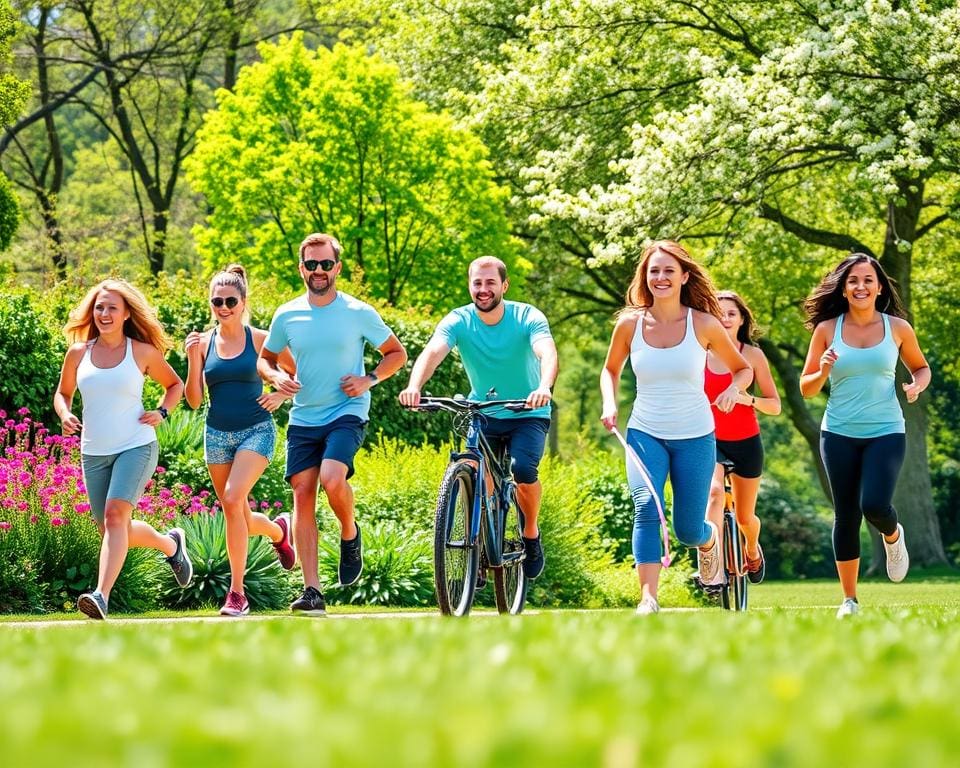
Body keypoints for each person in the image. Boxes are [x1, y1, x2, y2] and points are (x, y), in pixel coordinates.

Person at [258, 233, 407, 616]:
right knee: (302, 494)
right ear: (301, 268)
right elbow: (266, 358)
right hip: (303, 416)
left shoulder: (359, 312)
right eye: (312, 264)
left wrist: (369, 379)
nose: (319, 270)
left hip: (347, 410)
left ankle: (349, 532)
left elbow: (397, 354)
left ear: (337, 268)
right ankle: (312, 592)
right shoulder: (287, 314)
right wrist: (275, 378)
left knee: (332, 478)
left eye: (326, 264)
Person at [600, 240, 752, 615]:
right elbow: (610, 370)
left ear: (685, 276)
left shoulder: (703, 323)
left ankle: (709, 538)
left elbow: (742, 369)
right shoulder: (629, 324)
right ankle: (648, 598)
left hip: (696, 436)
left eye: (669, 270)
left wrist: (735, 390)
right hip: (644, 432)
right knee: (645, 507)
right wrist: (609, 402)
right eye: (654, 270)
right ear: (645, 277)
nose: (661, 277)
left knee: (687, 530)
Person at [399, 255, 559, 580]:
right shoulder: (458, 320)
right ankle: (480, 548)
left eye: (490, 283)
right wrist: (414, 386)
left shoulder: (527, 315)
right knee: (473, 466)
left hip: (526, 411)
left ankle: (530, 532)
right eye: (477, 283)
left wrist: (543, 386)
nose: (483, 289)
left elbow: (547, 351)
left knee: (522, 469)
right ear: (470, 286)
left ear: (504, 285)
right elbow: (432, 352)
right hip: (483, 411)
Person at [800, 253, 930, 618]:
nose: (860, 286)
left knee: (873, 504)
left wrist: (916, 385)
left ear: (879, 287)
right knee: (846, 514)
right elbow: (807, 389)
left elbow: (921, 367)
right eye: (853, 280)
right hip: (838, 432)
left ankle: (892, 535)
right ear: (843, 288)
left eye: (868, 280)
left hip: (886, 430)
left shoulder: (898, 328)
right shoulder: (827, 329)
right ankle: (849, 600)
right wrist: (822, 369)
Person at [53, 279, 191, 620]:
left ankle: (101, 596)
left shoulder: (141, 351)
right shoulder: (78, 353)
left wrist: (162, 412)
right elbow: (63, 393)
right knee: (113, 530)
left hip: (136, 445)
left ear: (127, 313)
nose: (104, 313)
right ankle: (170, 544)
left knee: (116, 516)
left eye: (112, 307)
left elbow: (175, 384)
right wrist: (65, 413)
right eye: (99, 307)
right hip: (93, 452)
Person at [184, 265, 297, 617]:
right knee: (238, 512)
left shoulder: (261, 340)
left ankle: (237, 594)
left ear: (243, 301)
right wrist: (191, 360)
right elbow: (193, 400)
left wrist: (279, 395)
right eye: (217, 300)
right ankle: (278, 531)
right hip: (216, 435)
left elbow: (296, 371)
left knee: (233, 498)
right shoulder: (202, 343)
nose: (223, 306)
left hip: (256, 430)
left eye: (230, 300)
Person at [702, 290, 781, 587]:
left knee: (746, 518)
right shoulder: (698, 353)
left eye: (731, 313)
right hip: (708, 440)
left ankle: (751, 549)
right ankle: (713, 567)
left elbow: (775, 405)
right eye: (718, 313)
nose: (724, 318)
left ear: (742, 319)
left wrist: (747, 400)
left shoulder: (753, 355)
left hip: (746, 441)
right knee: (713, 494)